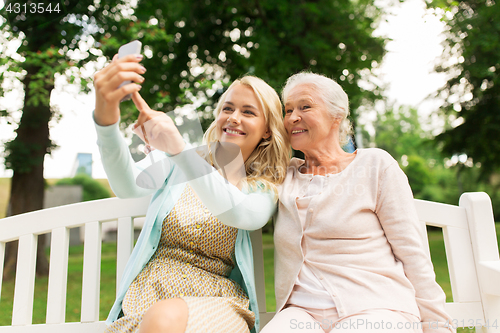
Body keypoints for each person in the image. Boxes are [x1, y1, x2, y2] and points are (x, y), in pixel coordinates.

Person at [92, 53, 289, 333]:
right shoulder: (179, 164)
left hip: (219, 302)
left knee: (164, 319)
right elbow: (127, 186)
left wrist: (178, 149)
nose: (233, 118)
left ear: (268, 131)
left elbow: (243, 214)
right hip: (148, 293)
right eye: (227, 108)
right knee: (159, 318)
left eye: (248, 112)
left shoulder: (263, 185)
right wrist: (106, 119)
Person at [261, 72, 454, 333]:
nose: (292, 117)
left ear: (336, 116)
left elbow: (412, 253)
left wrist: (438, 325)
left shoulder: (374, 165)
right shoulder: (284, 175)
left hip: (376, 306)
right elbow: (235, 157)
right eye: (288, 110)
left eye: (305, 106)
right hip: (302, 313)